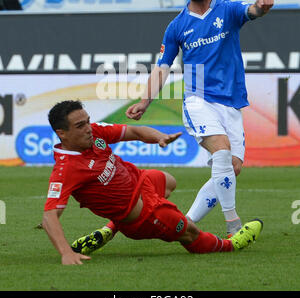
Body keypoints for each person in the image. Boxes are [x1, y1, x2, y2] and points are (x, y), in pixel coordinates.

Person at [126, 0, 274, 237]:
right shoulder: (177, 26)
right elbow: (162, 67)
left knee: (231, 168)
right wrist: (145, 101)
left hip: (231, 103)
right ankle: (233, 225)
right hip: (198, 100)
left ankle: (185, 223)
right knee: (221, 151)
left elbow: (252, 11)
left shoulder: (227, 10)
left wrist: (262, 7)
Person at [43, 99, 263, 265]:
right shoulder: (66, 169)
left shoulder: (94, 133)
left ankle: (110, 229)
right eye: (80, 125)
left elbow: (133, 131)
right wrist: (65, 252)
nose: (88, 128)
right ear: (62, 133)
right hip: (144, 215)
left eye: (88, 121)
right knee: (190, 232)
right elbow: (49, 216)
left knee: (168, 181)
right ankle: (230, 245)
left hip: (141, 182)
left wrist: (158, 137)